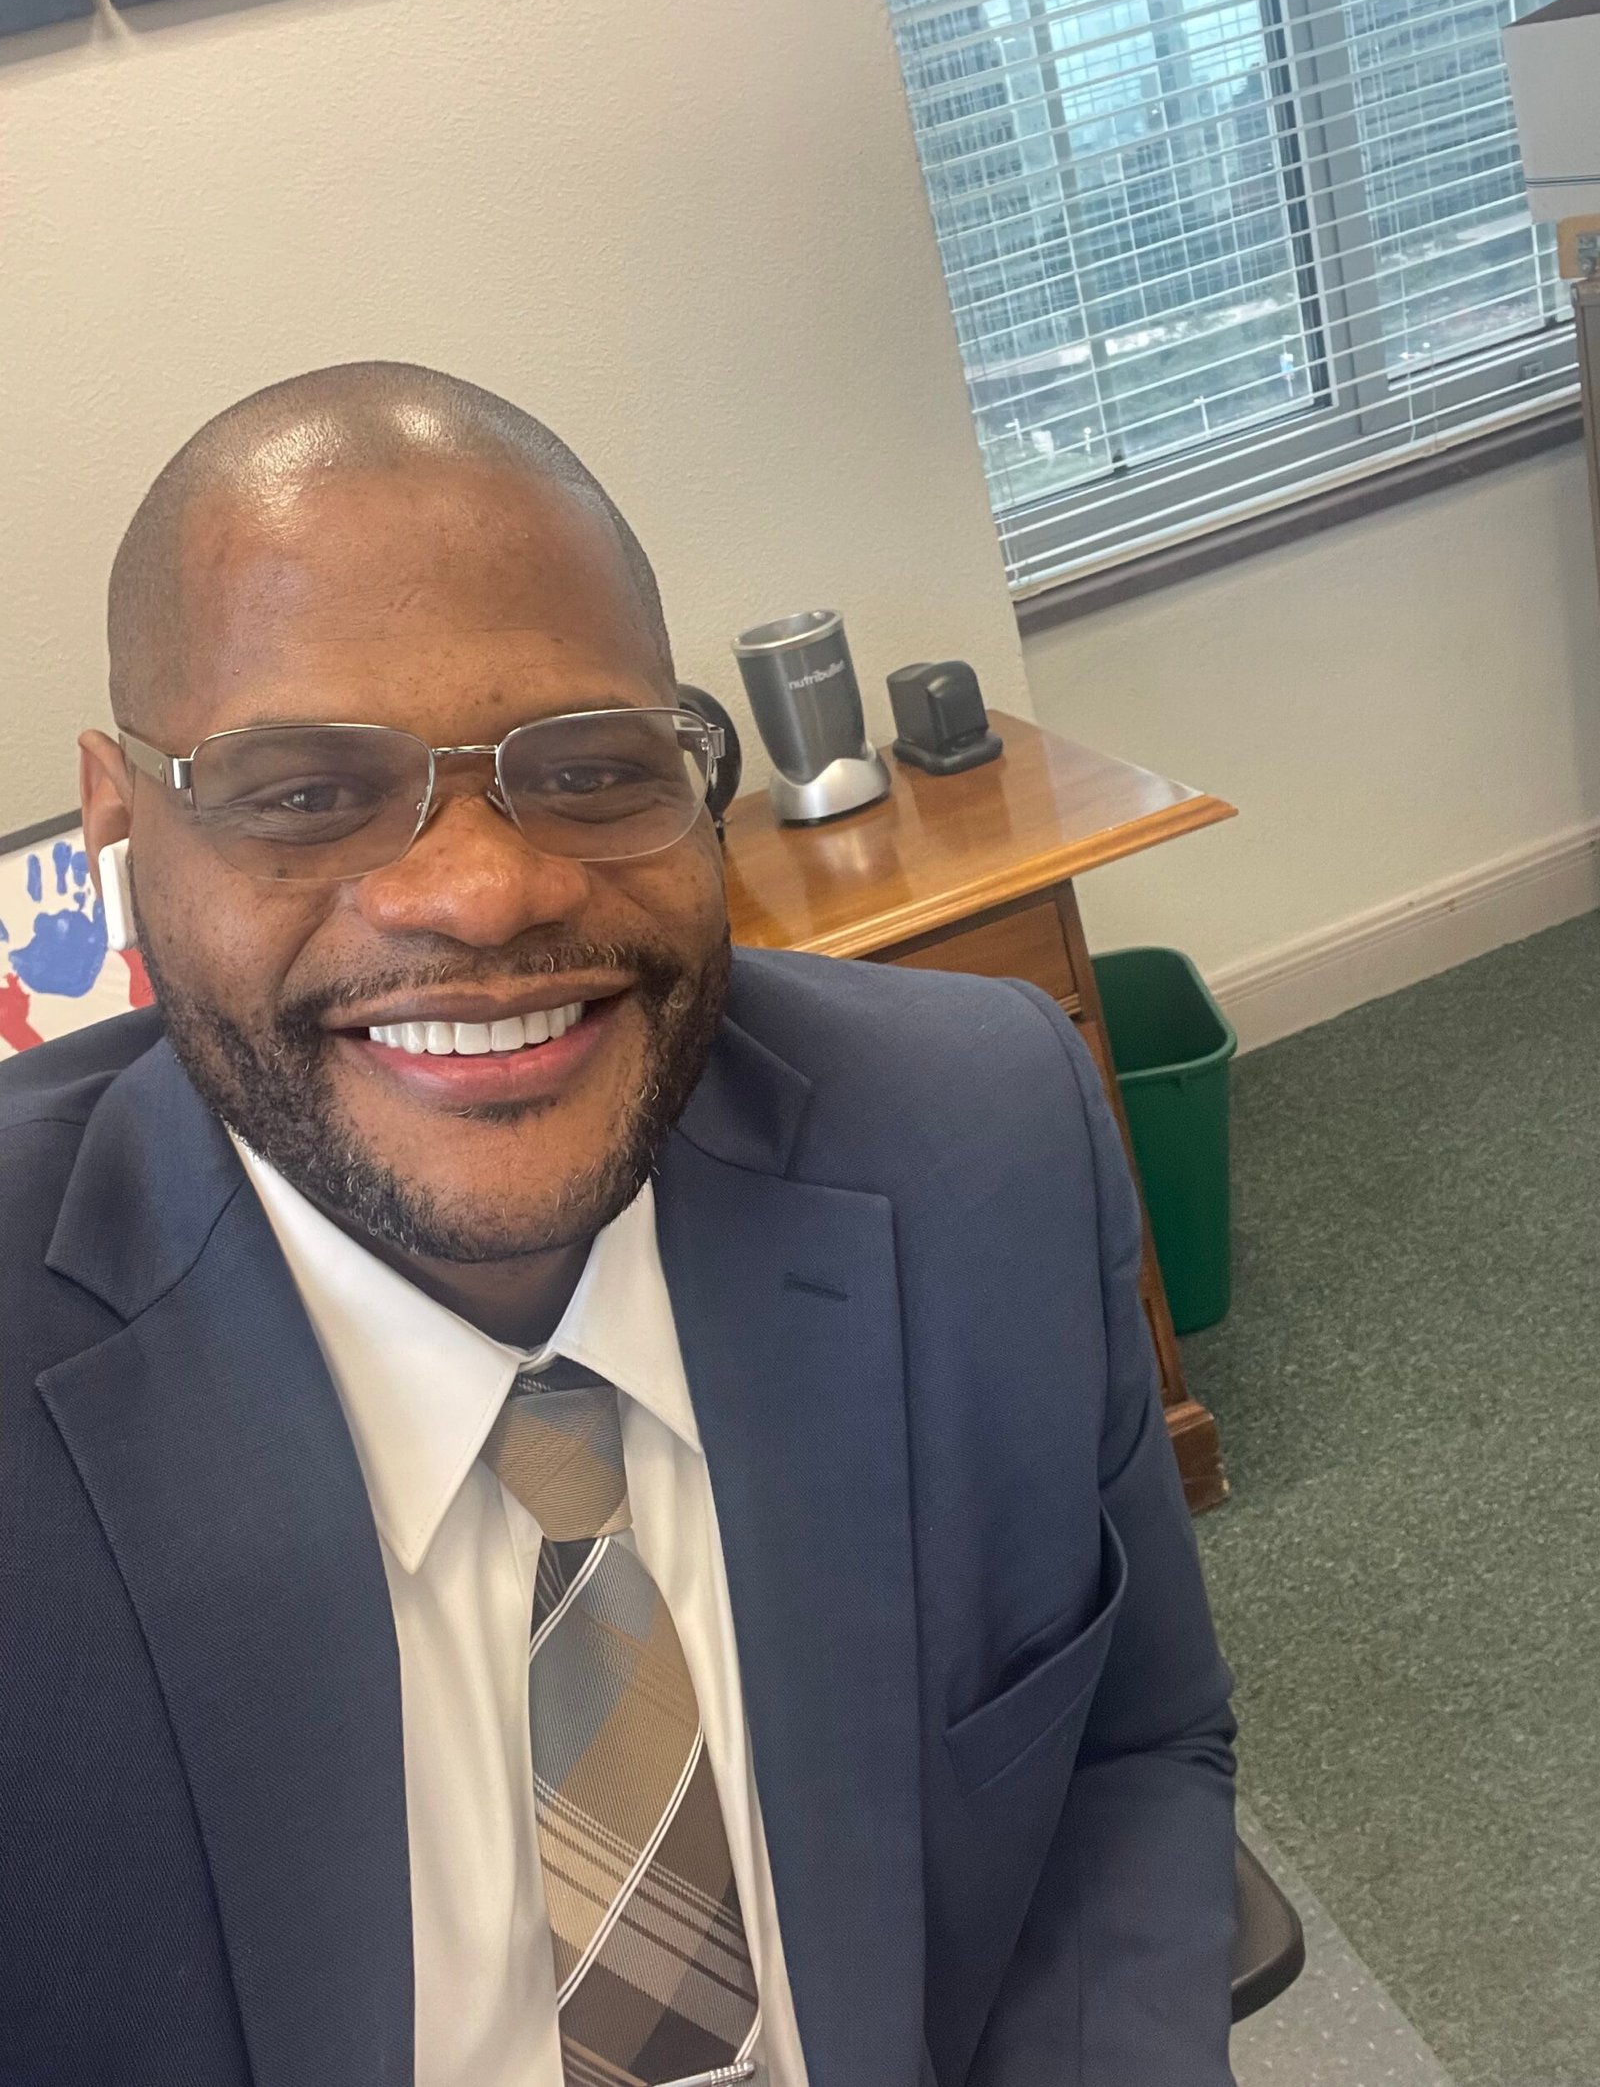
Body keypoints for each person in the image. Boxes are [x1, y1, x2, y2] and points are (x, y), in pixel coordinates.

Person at [0, 363, 1238, 2087]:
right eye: (305, 792)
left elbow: (1128, 1749)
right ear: (120, 821)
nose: (482, 890)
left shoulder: (982, 1140)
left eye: (587, 769)